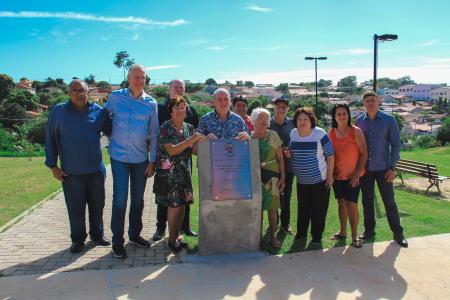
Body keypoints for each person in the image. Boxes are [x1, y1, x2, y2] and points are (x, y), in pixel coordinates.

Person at [45, 79, 110, 253]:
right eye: (74, 90)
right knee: (75, 208)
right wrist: (53, 166)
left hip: (96, 171)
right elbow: (50, 138)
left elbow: (113, 131)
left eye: (82, 90)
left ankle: (97, 235)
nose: (78, 93)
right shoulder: (58, 112)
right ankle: (78, 240)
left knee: (98, 206)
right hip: (71, 173)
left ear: (87, 91)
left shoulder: (99, 111)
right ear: (68, 93)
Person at [105, 64, 159, 258]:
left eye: (142, 77)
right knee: (120, 200)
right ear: (128, 78)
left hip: (140, 160)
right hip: (118, 157)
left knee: (138, 200)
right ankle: (117, 241)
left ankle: (134, 235)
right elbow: (104, 118)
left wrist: (152, 161)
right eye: (136, 76)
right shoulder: (115, 97)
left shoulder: (151, 103)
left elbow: (154, 134)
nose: (139, 80)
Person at [355, 91, 408, 248]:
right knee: (367, 201)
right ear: (363, 104)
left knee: (389, 202)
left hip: (384, 169)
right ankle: (369, 231)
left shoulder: (388, 120)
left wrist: (392, 168)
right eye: (367, 101)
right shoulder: (359, 122)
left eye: (373, 100)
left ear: (378, 102)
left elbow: (397, 145)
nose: (370, 103)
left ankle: (398, 234)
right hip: (366, 170)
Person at [154, 96, 206, 252]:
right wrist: (192, 139)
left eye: (182, 108)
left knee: (183, 206)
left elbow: (194, 151)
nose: (179, 111)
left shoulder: (189, 127)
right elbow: (172, 150)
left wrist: (204, 142)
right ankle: (171, 240)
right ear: (170, 110)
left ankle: (177, 235)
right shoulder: (165, 127)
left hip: (184, 172)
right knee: (174, 206)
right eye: (176, 108)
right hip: (169, 174)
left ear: (186, 111)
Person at [286, 107, 334, 245]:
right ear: (295, 121)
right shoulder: (293, 134)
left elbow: (330, 155)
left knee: (318, 209)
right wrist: (288, 153)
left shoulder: (320, 134)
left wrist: (330, 176)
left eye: (305, 119)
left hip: (320, 180)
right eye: (299, 119)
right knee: (303, 209)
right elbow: (292, 151)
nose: (302, 122)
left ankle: (316, 237)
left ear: (311, 120)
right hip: (301, 181)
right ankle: (301, 235)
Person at [329, 103, 367, 248]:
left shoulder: (355, 132)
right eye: (338, 114)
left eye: (344, 113)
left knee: (352, 204)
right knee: (341, 203)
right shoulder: (331, 133)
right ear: (334, 116)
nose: (341, 116)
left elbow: (364, 154)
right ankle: (343, 231)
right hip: (338, 176)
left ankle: (355, 235)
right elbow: (329, 154)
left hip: (353, 177)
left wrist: (357, 174)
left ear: (348, 115)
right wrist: (331, 173)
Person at [251, 108, 285, 248]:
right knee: (257, 208)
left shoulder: (273, 135)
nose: (264, 121)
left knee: (272, 208)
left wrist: (283, 176)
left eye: (266, 118)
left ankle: (272, 236)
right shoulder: (249, 137)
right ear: (254, 120)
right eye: (260, 118)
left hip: (273, 176)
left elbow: (280, 158)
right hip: (255, 177)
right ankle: (256, 237)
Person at [269, 95, 295, 233]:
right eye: (278, 106)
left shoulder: (293, 123)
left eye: (284, 107)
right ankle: (274, 222)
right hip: (271, 167)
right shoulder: (268, 123)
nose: (281, 109)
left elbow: (296, 143)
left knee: (286, 197)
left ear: (287, 109)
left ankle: (285, 225)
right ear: (274, 107)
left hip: (289, 167)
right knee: (273, 196)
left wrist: (289, 149)